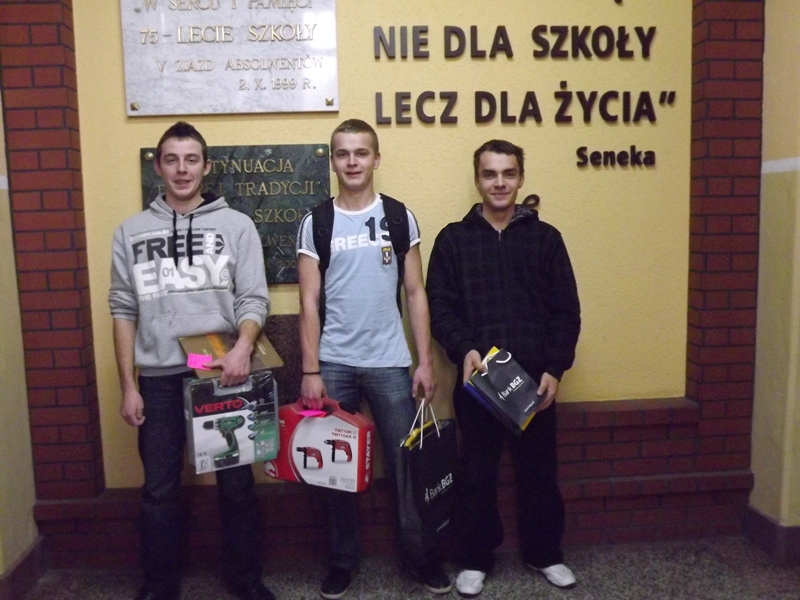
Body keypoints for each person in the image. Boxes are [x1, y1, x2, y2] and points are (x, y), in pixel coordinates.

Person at [109, 122, 274, 600]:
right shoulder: (130, 232)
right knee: (159, 490)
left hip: (221, 374)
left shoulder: (236, 226)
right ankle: (159, 585)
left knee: (236, 486)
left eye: (191, 159)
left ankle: (245, 578)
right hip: (159, 380)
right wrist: (129, 385)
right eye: (172, 160)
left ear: (206, 166)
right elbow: (122, 308)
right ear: (158, 167)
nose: (182, 169)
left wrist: (243, 349)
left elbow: (253, 298)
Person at [296, 119, 451, 599]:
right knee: (334, 468)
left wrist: (424, 361)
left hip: (390, 363)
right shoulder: (316, 222)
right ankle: (342, 561)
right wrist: (310, 371)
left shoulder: (399, 218)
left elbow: (416, 292)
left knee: (407, 464)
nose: (353, 161)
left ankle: (420, 558)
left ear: (376, 159)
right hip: (334, 364)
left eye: (361, 152)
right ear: (333, 161)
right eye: (343, 153)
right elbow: (307, 303)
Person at [426, 140, 581, 598]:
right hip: (478, 381)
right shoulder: (453, 240)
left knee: (539, 474)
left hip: (535, 382)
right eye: (490, 174)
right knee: (476, 475)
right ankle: (475, 559)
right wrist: (464, 349)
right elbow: (440, 307)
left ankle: (545, 553)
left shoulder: (546, 239)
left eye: (508, 173)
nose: (499, 182)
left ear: (520, 178)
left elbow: (566, 310)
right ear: (477, 179)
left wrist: (555, 368)